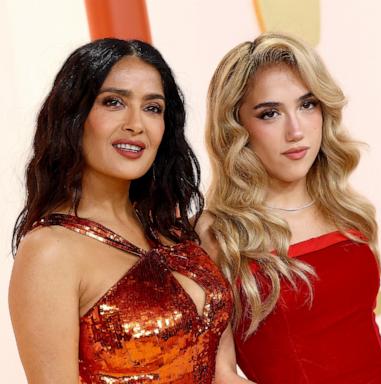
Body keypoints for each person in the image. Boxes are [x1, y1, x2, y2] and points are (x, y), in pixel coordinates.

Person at [9, 38, 235, 384]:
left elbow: (223, 375)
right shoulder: (50, 251)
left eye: (153, 108)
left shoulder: (175, 231)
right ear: (74, 116)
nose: (136, 124)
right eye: (113, 102)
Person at [199, 32, 381, 383]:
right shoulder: (219, 233)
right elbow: (220, 376)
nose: (296, 130)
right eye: (270, 113)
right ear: (237, 127)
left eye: (307, 104)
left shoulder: (345, 208)